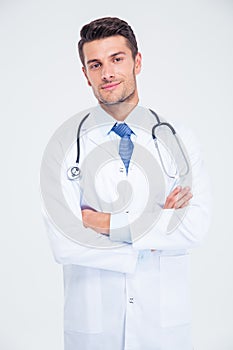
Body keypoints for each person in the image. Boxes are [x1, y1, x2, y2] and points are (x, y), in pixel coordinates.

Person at [41, 17, 211, 350]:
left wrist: (97, 221)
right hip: (94, 327)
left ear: (137, 61)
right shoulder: (65, 147)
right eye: (95, 64)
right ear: (85, 73)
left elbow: (195, 226)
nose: (107, 73)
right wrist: (155, 229)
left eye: (117, 59)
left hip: (162, 330)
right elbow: (63, 241)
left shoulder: (180, 139)